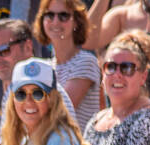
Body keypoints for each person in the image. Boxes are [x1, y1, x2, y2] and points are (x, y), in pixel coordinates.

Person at [35, 0, 102, 132]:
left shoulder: (86, 61)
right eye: (49, 15)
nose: (55, 22)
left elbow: (61, 110)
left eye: (63, 16)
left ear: (76, 22)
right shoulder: (46, 66)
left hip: (77, 144)